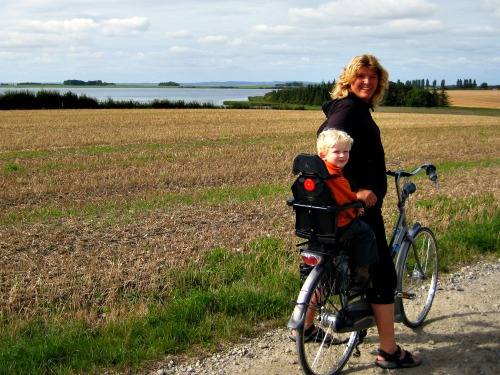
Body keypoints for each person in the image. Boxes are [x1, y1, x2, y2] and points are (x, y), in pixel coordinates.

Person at [318, 54, 421, 369]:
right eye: (360, 76)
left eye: (373, 77)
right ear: (348, 80)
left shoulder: (350, 108)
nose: (367, 82)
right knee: (383, 276)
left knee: (334, 262)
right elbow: (327, 142)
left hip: (348, 206)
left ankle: (307, 324)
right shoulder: (348, 111)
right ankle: (388, 351)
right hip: (360, 209)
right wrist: (353, 189)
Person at [316, 128, 378, 287]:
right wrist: (358, 204)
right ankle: (362, 271)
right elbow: (346, 199)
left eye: (346, 151)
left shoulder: (314, 174)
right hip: (339, 224)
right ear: (323, 155)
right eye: (337, 152)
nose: (343, 155)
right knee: (366, 233)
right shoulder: (336, 177)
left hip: (316, 224)